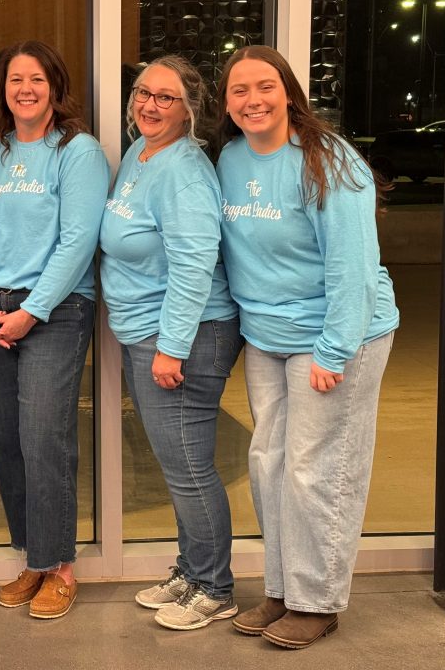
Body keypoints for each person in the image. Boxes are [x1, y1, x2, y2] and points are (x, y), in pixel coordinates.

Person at [214, 45, 399, 649]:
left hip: (335, 334)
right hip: (267, 337)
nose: (253, 100)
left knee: (316, 468)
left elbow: (355, 267)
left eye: (264, 86)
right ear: (226, 103)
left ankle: (317, 600)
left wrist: (334, 349)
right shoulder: (230, 158)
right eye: (239, 90)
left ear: (289, 92)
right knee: (268, 463)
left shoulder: (328, 160)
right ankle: (282, 588)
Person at [0, 40, 109, 619]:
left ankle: (61, 567)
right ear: (1, 90)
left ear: (55, 87)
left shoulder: (77, 151)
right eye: (14, 80)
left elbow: (78, 241)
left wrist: (33, 311)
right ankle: (33, 556)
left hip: (57, 308)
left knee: (44, 437)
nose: (25, 89)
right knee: (7, 438)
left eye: (36, 79)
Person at [100, 55, 243, 630]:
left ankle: (215, 588)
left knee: (189, 467)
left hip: (187, 334)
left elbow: (193, 264)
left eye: (166, 97)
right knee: (176, 463)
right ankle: (191, 571)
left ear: (190, 109)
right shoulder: (141, 152)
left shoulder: (184, 171)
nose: (150, 105)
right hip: (148, 331)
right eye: (143, 93)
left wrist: (172, 347)